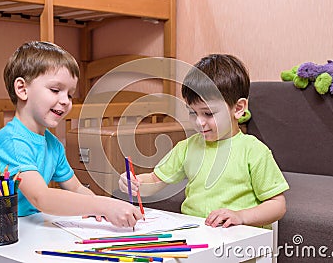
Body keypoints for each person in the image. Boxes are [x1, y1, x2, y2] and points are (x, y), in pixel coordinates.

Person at [0, 41, 142, 227]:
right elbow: (41, 197)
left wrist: (103, 210)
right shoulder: (10, 142)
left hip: (28, 228)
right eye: (56, 90)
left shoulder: (53, 144)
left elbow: (75, 187)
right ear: (22, 89)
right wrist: (103, 205)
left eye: (70, 95)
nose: (65, 101)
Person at [119, 54, 289, 228]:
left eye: (208, 114)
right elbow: (156, 180)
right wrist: (135, 183)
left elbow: (277, 205)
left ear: (238, 109)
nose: (199, 122)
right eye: (193, 113)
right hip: (197, 233)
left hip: (238, 237)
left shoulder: (254, 151)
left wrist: (240, 216)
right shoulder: (187, 147)